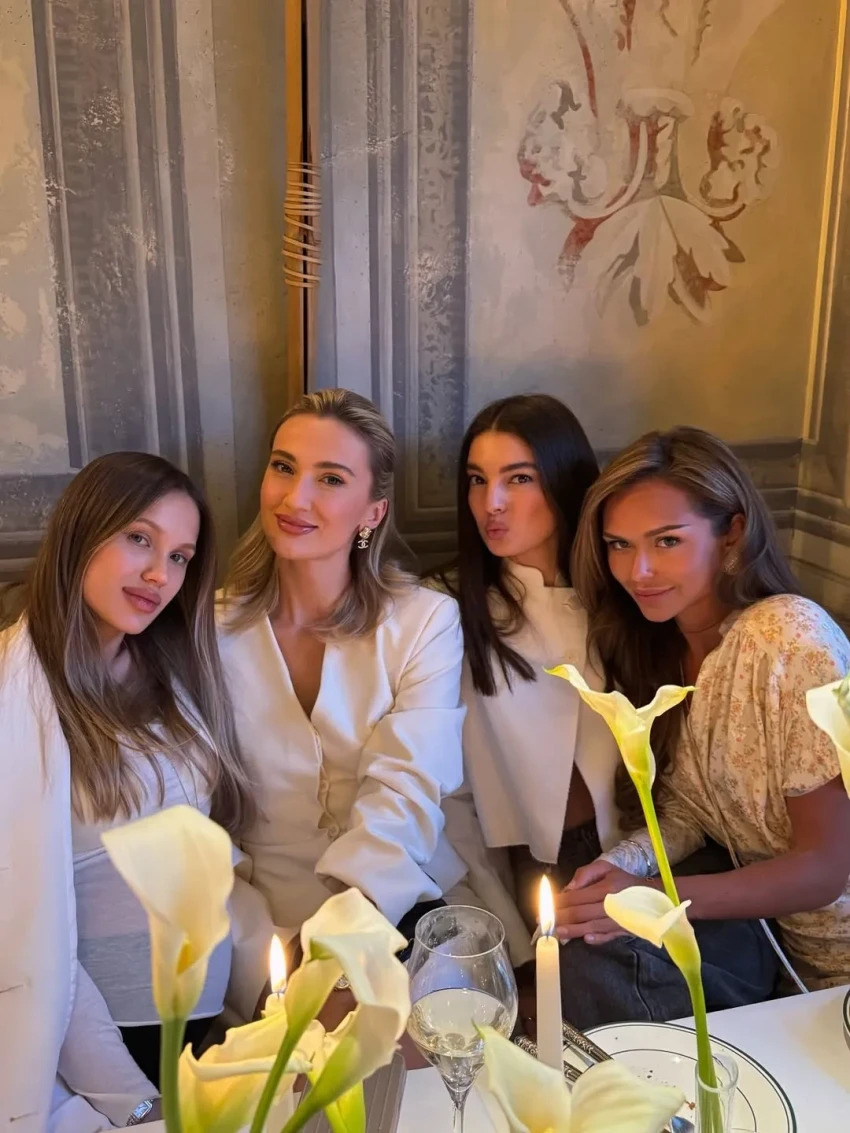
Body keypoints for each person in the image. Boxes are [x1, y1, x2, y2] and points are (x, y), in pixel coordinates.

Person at [0, 453, 270, 1132]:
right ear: (82, 531)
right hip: (103, 1051)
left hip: (207, 1025)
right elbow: (22, 930)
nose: (160, 574)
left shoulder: (175, 671)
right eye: (140, 539)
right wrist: (135, 1100)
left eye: (179, 557)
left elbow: (210, 855)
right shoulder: (13, 693)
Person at [555, 426, 850, 1024]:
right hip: (778, 951)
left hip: (836, 965)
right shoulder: (663, 650)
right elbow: (693, 811)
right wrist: (625, 864)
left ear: (732, 533)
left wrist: (650, 901)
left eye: (667, 540)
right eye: (618, 544)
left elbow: (827, 868)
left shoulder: (789, 639)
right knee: (591, 952)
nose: (637, 570)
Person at [217, 390, 467, 969]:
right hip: (251, 925)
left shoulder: (425, 621)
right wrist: (267, 953)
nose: (295, 497)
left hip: (395, 903)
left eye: (330, 479)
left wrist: (342, 945)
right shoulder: (207, 630)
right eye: (284, 467)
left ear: (372, 513)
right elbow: (191, 815)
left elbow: (407, 790)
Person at [435, 394, 624, 976]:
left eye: (518, 478)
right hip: (522, 867)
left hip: (641, 853)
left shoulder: (631, 591)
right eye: (477, 480)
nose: (491, 503)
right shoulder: (444, 610)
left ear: (564, 479)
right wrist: (505, 944)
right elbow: (448, 798)